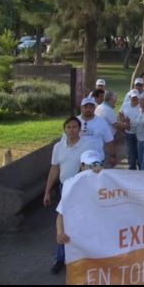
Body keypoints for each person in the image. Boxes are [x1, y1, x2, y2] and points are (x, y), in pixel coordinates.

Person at [43, 117, 97, 274]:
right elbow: (54, 169)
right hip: (64, 189)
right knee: (63, 221)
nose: (72, 130)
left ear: (79, 129)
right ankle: (61, 258)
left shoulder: (88, 145)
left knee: (82, 222)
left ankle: (83, 257)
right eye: (68, 127)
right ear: (64, 129)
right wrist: (47, 191)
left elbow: (96, 165)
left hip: (83, 189)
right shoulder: (58, 147)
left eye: (74, 127)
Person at [53, 149, 104, 274]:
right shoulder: (72, 186)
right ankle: (60, 259)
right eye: (90, 166)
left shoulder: (109, 182)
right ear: (82, 166)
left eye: (97, 164)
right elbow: (61, 215)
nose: (94, 169)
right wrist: (60, 233)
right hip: (80, 236)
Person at [76, 97, 114, 166]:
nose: (88, 109)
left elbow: (109, 141)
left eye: (91, 107)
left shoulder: (102, 122)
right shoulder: (74, 121)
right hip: (77, 160)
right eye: (85, 107)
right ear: (81, 108)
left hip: (96, 161)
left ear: (94, 108)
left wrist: (112, 156)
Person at [119, 90, 141, 170]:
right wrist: (124, 121)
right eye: (133, 99)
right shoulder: (125, 105)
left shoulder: (141, 106)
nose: (135, 101)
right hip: (128, 132)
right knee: (131, 150)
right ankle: (132, 166)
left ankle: (140, 165)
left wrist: (130, 122)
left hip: (139, 132)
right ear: (130, 98)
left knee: (138, 150)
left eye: (136, 99)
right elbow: (120, 113)